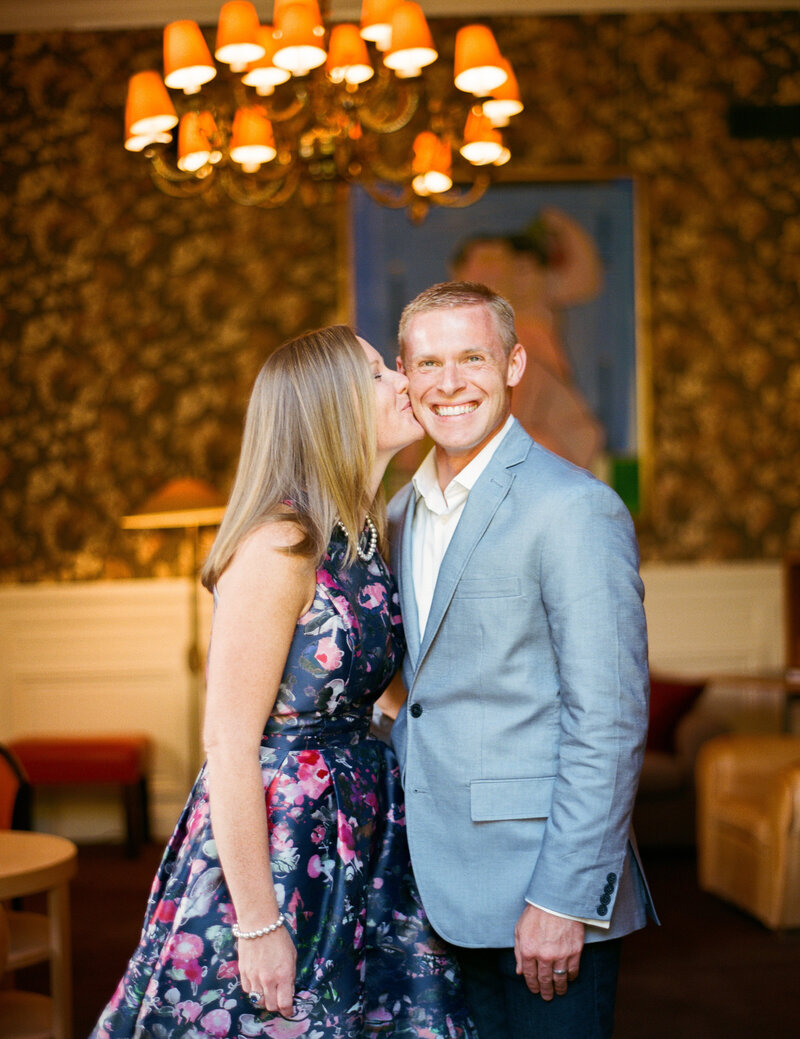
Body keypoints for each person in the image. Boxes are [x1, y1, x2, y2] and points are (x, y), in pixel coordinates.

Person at [91, 326, 477, 1039]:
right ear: (329, 407)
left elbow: (383, 693)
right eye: (375, 374)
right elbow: (229, 742)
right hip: (280, 839)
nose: (402, 381)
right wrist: (258, 921)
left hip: (362, 827)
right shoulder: (279, 542)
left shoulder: (367, 531)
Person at [386, 282, 657, 1039]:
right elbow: (428, 690)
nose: (448, 382)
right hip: (429, 884)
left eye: (471, 357)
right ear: (404, 378)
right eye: (428, 362)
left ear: (514, 363)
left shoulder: (573, 506)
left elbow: (607, 714)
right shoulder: (399, 512)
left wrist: (565, 897)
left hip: (540, 890)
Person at [450, 209, 606, 470]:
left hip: (542, 435)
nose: (497, 270)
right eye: (486, 261)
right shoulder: (450, 328)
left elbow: (584, 279)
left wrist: (560, 222)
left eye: (503, 261)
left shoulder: (526, 316)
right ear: (459, 271)